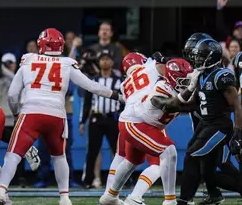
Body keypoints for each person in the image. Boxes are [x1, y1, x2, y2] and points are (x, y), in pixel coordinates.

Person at [0, 28, 120, 205]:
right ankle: (64, 197)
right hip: (56, 114)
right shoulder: (67, 63)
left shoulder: (28, 60)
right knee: (59, 156)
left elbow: (13, 94)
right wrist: (115, 95)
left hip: (31, 112)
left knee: (13, 154)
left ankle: (1, 190)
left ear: (40, 44)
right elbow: (91, 86)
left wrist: (16, 113)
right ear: (60, 45)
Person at [158, 35, 242, 205]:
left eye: (199, 57)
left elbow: (237, 105)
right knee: (207, 172)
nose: (196, 60)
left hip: (219, 126)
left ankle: (183, 200)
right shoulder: (202, 76)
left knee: (193, 156)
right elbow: (192, 104)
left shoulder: (221, 75)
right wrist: (166, 103)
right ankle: (213, 194)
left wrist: (238, 134)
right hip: (207, 125)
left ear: (210, 57)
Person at [100, 58, 191, 205]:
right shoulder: (161, 85)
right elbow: (171, 104)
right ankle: (170, 201)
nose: (186, 82)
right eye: (183, 79)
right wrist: (191, 90)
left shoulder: (127, 83)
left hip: (138, 119)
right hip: (138, 122)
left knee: (132, 161)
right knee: (169, 151)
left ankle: (110, 196)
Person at [102, 52, 163, 204]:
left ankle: (109, 194)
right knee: (160, 163)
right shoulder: (149, 68)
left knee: (122, 157)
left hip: (127, 121)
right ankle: (136, 197)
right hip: (147, 120)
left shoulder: (125, 83)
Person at [80, 52, 122, 189]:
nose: (104, 62)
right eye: (102, 59)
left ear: (111, 62)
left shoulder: (119, 80)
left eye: (107, 59)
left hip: (113, 118)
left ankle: (120, 180)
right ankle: (89, 180)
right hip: (96, 118)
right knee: (93, 150)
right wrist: (82, 121)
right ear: (99, 62)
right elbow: (86, 102)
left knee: (117, 150)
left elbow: (124, 101)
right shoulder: (93, 80)